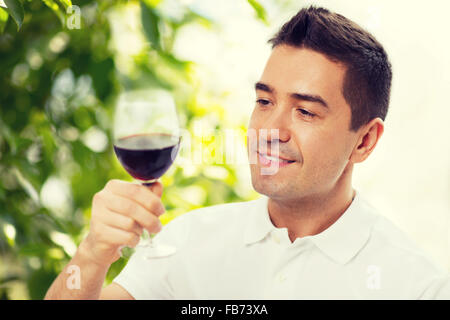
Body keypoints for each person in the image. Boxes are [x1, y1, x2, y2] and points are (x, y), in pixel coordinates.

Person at [45, 6, 449, 299]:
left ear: (364, 141)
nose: (271, 131)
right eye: (265, 101)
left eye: (305, 111)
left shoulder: (415, 286)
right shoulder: (188, 243)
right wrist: (94, 252)